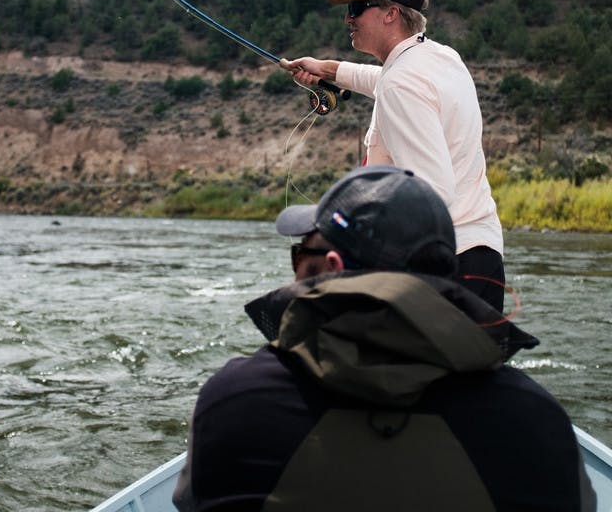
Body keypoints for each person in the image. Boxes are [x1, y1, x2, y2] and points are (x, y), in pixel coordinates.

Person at [172, 165, 596, 512]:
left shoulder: (236, 403)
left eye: (303, 254)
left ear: (333, 267)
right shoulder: (537, 422)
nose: (298, 266)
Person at [281, 0, 505, 311]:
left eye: (356, 8)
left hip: (443, 274)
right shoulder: (440, 57)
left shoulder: (402, 82)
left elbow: (435, 192)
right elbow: (383, 81)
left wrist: (357, 228)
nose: (348, 19)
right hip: (479, 259)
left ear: (391, 14)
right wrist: (327, 69)